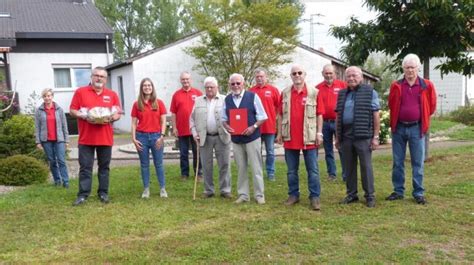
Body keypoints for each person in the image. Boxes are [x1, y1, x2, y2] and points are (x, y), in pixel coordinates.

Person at [386, 53, 437, 205]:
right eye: (407, 67)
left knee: (418, 162)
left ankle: (418, 192)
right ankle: (398, 191)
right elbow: (391, 104)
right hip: (399, 128)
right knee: (397, 161)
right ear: (403, 68)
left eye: (412, 67)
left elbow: (432, 106)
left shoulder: (426, 85)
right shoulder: (396, 85)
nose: (410, 70)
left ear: (418, 68)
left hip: (417, 128)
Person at [70, 66, 122, 206]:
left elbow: (118, 112)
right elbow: (73, 110)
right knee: (85, 167)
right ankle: (83, 195)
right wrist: (85, 116)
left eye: (102, 76)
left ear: (106, 79)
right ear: (91, 77)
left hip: (105, 138)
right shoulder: (80, 92)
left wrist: (111, 118)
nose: (99, 78)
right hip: (86, 138)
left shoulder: (112, 94)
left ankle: (103, 193)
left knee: (104, 167)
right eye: (96, 75)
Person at [276, 64, 324, 211]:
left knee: (313, 170)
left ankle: (315, 197)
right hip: (290, 138)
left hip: (309, 137)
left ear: (305, 75)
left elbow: (319, 114)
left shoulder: (314, 92)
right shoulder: (284, 93)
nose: (297, 75)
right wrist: (279, 133)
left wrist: (319, 133)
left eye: (299, 73)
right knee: (291, 170)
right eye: (294, 73)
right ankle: (293, 195)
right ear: (291, 76)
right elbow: (280, 114)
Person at [335, 66, 380, 208]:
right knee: (349, 167)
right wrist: (337, 137)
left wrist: (376, 136)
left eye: (354, 75)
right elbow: (338, 116)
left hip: (363, 136)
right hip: (346, 136)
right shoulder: (342, 94)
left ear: (361, 77)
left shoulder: (370, 92)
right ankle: (351, 194)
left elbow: (376, 114)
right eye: (348, 76)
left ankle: (370, 196)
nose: (351, 78)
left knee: (366, 166)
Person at [222, 73, 268, 204]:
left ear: (243, 83)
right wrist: (227, 127)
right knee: (241, 168)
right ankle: (243, 195)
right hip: (236, 140)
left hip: (252, 138)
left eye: (238, 83)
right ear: (229, 85)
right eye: (233, 84)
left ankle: (259, 195)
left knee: (256, 167)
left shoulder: (253, 96)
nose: (235, 86)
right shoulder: (227, 100)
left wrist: (253, 127)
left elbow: (263, 116)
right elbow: (224, 119)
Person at [190, 77, 232, 198]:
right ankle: (208, 190)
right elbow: (191, 119)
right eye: (207, 87)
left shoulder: (225, 99)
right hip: (204, 137)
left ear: (217, 87)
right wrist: (194, 133)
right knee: (206, 165)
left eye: (212, 87)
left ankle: (225, 190)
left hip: (222, 136)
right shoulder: (198, 101)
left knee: (224, 164)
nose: (209, 89)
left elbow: (231, 116)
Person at [131, 78, 168, 199]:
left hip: (156, 137)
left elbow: (163, 121)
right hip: (141, 137)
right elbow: (133, 123)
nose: (147, 87)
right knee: (144, 164)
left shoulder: (159, 103)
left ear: (152, 87)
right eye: (145, 86)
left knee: (159, 164)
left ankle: (162, 188)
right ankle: (146, 189)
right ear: (142, 88)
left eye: (149, 85)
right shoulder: (137, 104)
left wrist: (162, 136)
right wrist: (134, 138)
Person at [316, 64, 347, 182]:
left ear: (335, 74)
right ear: (322, 73)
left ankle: (346, 174)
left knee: (342, 148)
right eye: (326, 73)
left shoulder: (342, 86)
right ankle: (332, 174)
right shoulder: (317, 88)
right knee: (328, 150)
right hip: (324, 123)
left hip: (339, 122)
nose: (328, 75)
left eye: (331, 73)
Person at [170, 72, 203, 181]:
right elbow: (173, 113)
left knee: (197, 152)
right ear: (181, 81)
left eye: (187, 79)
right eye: (183, 79)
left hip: (196, 130)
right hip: (182, 129)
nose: (185, 81)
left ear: (191, 80)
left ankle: (198, 173)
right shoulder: (176, 95)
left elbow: (203, 110)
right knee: (183, 153)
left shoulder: (198, 93)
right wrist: (174, 127)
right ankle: (184, 174)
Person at [34, 88, 70, 188]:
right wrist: (38, 142)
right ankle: (57, 181)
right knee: (52, 161)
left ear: (52, 96)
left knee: (61, 160)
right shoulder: (39, 111)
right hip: (46, 140)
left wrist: (66, 140)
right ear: (43, 98)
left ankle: (66, 181)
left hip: (59, 140)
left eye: (49, 96)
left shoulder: (59, 109)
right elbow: (37, 127)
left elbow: (64, 125)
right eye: (45, 96)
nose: (47, 98)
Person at [249, 68, 280, 181]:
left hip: (269, 127)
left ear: (266, 77)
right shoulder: (251, 91)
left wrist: (273, 116)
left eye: (261, 76)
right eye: (257, 77)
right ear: (255, 78)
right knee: (257, 152)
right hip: (256, 127)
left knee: (270, 151)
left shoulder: (273, 90)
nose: (259, 78)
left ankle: (271, 173)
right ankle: (258, 173)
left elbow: (278, 106)